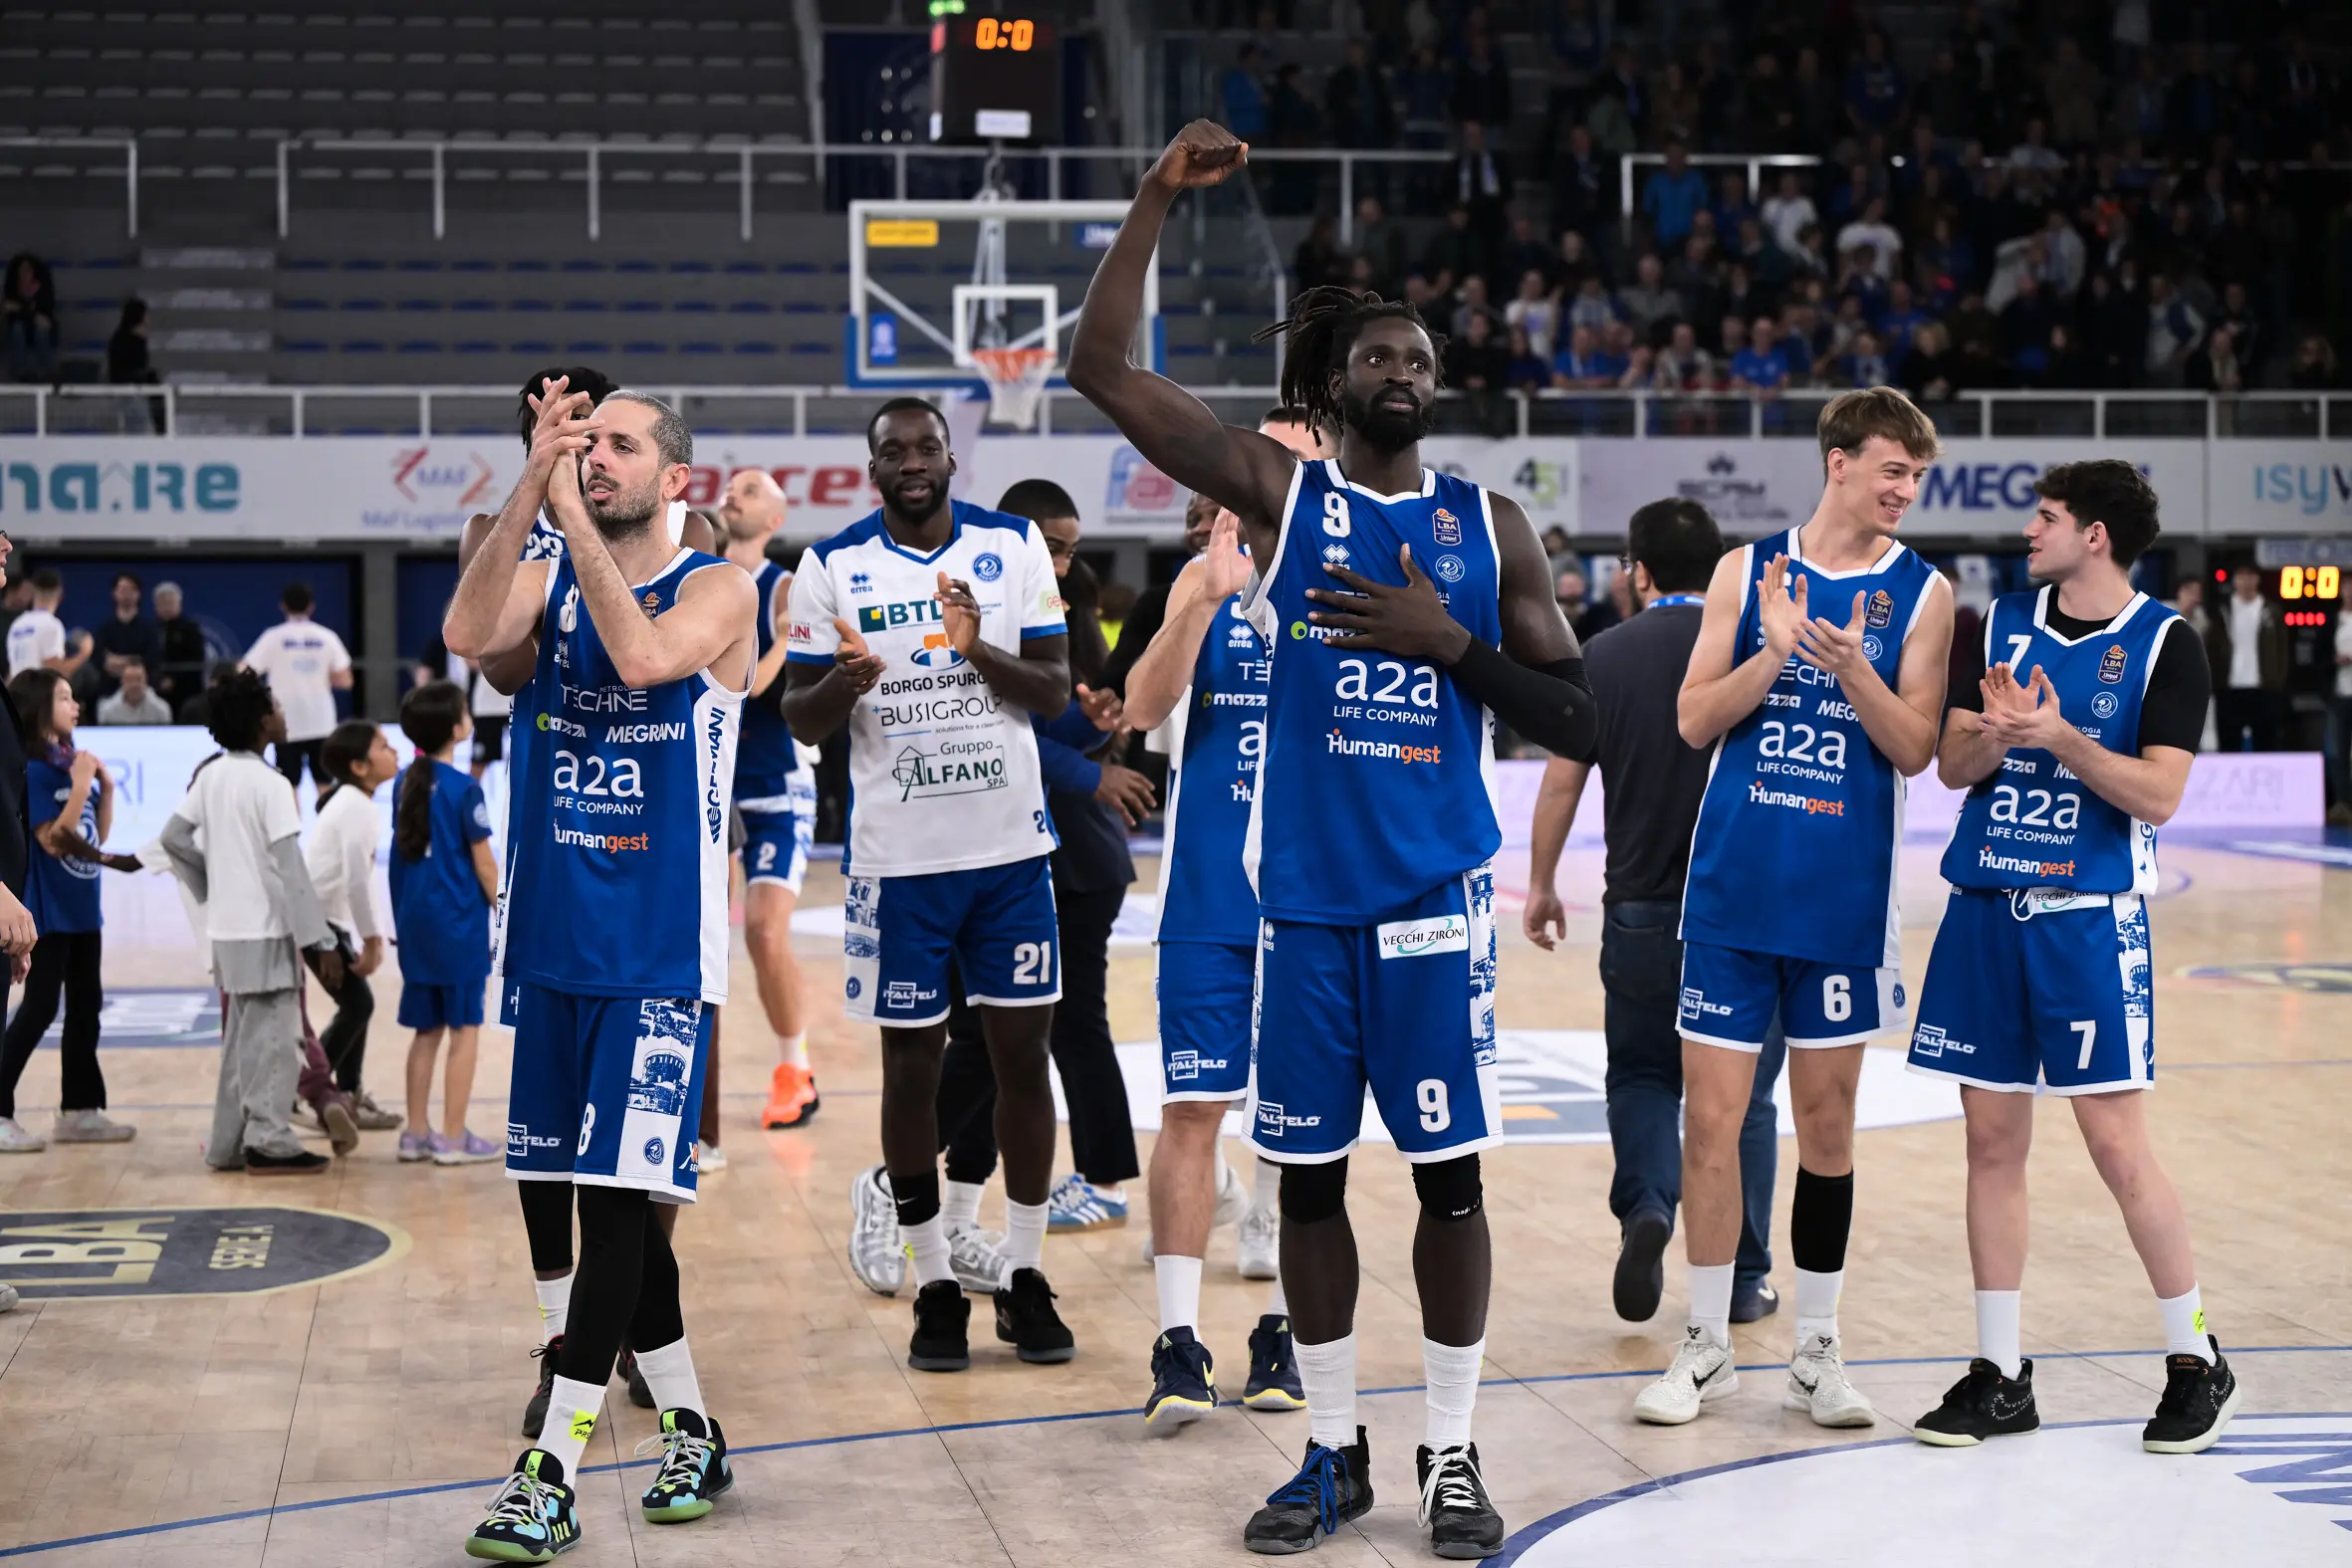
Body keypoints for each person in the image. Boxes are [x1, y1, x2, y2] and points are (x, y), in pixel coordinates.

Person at [1067, 121, 1600, 1559]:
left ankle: (1451, 1452)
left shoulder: (1491, 528)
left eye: (1419, 356)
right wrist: (1154, 195)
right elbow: (1101, 370)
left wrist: (1453, 644)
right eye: (1377, 356)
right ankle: (1331, 1447)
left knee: (1447, 1182)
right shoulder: (1278, 496)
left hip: (1430, 906)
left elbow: (1583, 716)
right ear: (1332, 385)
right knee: (1307, 1185)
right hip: (1300, 912)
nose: (1402, 370)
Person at [445, 383, 745, 1557]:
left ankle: (552, 1474)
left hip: (658, 959)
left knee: (619, 1211)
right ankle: (695, 1430)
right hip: (552, 949)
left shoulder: (723, 589)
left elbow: (643, 654)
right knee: (602, 1208)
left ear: (674, 479)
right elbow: (470, 637)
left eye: (620, 444)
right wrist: (533, 480)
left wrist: (569, 518)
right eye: (587, 440)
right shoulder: (546, 570)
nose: (596, 456)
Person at [1906, 461, 2238, 1455]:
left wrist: (2058, 735)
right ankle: (2001, 1375)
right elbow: (1951, 765)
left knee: (2117, 1148)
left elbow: (2159, 795)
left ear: (2095, 535)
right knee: (1989, 1143)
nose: (2028, 531)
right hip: (1983, 910)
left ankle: (2196, 1356)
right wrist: (2000, 736)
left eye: (2045, 517)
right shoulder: (2002, 623)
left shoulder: (2167, 643)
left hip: (2085, 920)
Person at [1637, 387, 1953, 1433]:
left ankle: (1817, 1348)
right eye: (1893, 469)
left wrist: (1852, 666)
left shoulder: (1924, 593)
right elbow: (1692, 720)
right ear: (1838, 462)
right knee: (1710, 1122)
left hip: (1842, 905)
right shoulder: (1746, 571)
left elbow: (1915, 748)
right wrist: (1773, 652)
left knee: (1826, 1125)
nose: (1906, 490)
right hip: (1732, 894)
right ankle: (1706, 1342)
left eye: (1916, 475)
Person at [784, 398, 1077, 1375]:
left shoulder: (1013, 546)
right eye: (892, 450)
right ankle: (936, 1284)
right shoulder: (829, 565)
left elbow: (1053, 691)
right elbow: (800, 718)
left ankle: (1024, 1273)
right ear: (871, 468)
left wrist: (972, 645)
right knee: (910, 1072)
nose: (911, 461)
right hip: (898, 865)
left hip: (1008, 856)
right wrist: (847, 680)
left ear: (952, 459)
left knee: (1020, 1064)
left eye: (926, 447)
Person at [1525, 500, 1787, 1326]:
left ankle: (1647, 1205)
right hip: (1742, 914)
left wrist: (1541, 883)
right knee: (1744, 1099)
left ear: (1637, 571)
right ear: (1722, 567)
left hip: (1638, 907)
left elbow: (1561, 782)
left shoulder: (1602, 653)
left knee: (1641, 1075)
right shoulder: (1758, 648)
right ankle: (1742, 1276)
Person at [1120, 450, 1318, 1430]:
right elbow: (1142, 707)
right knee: (1192, 1109)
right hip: (1205, 902)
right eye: (1205, 515)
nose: (1219, 525)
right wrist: (1201, 598)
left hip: (1311, 902)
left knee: (1301, 1126)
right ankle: (1178, 1339)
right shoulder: (1193, 597)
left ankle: (1283, 1327)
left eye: (1233, 509)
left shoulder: (1327, 591)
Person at [156, 668, 346, 1176]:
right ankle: (269, 1139)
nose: (284, 715)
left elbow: (173, 838)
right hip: (265, 931)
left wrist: (211, 883)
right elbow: (292, 870)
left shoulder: (212, 775)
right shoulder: (272, 783)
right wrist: (320, 941)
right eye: (277, 707)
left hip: (226, 931)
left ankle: (226, 1144)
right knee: (280, 1039)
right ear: (263, 722)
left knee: (241, 1042)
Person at [717, 467, 820, 1138]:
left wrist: (785, 635)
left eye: (750, 490)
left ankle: (795, 1069)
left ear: (775, 520)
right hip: (713, 784)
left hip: (777, 783)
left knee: (762, 930)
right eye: (731, 487)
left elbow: (751, 685)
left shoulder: (783, 586)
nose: (733, 494)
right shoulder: (698, 576)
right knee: (702, 936)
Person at [0, 668, 142, 1152]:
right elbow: (53, 840)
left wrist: (105, 787)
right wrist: (81, 785)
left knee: (87, 1005)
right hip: (49, 912)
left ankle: (80, 1109)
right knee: (40, 1008)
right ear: (40, 706)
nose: (75, 705)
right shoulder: (36, 771)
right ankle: (0, 1109)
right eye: (64, 697)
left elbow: (94, 833)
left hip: (84, 907)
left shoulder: (68, 764)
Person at [387, 680, 498, 1165]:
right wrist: (507, 913)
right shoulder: (464, 788)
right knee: (465, 1028)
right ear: (456, 729)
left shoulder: (403, 783)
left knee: (425, 1030)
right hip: (458, 927)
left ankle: (415, 1133)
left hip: (416, 926)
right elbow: (485, 865)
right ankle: (453, 1137)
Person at [306, 719, 398, 1129]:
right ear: (359, 766)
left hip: (328, 921)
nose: (393, 751)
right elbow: (356, 880)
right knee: (359, 1005)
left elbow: (360, 879)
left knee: (357, 1005)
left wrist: (369, 932)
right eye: (383, 746)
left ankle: (349, 1093)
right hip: (320, 923)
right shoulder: (356, 807)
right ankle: (308, 1090)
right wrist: (373, 939)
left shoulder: (352, 801)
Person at [241, 583, 353, 789]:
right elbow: (345, 680)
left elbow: (244, 671)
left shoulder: (273, 637)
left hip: (286, 721)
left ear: (283, 606)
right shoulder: (326, 636)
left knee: (288, 784)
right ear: (311, 606)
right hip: (321, 720)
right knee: (324, 783)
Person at [2209, 566, 2284, 752]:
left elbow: (2282, 649)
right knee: (2229, 746)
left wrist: (2278, 680)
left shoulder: (2271, 611)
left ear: (2257, 579)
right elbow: (2212, 648)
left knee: (2265, 745)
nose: (2245, 581)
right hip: (2229, 688)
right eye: (2241, 576)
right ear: (2234, 580)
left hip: (2263, 687)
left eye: (2250, 576)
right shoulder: (2222, 611)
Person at [7, 569, 87, 681]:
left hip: (17, 689)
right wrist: (84, 652)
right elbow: (56, 672)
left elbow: (12, 671)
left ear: (33, 592)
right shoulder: (51, 625)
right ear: (60, 594)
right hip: (37, 690)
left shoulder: (17, 624)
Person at [93, 572, 161, 697]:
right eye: (122, 590)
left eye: (131, 590)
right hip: (109, 691)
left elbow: (152, 658)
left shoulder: (149, 628)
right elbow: (98, 657)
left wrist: (121, 662)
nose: (126, 594)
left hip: (144, 692)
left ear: (138, 594)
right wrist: (130, 660)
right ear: (114, 593)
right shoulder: (104, 628)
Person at [152, 581, 208, 714]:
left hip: (187, 690)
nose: (167, 606)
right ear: (156, 605)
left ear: (179, 603)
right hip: (155, 689)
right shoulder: (150, 629)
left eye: (170, 602)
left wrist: (173, 678)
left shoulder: (191, 628)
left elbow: (196, 659)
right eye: (163, 602)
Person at [96, 656, 173, 726]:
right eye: (130, 680)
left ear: (146, 681)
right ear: (122, 682)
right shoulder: (107, 711)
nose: (134, 685)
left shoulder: (161, 710)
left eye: (138, 680)